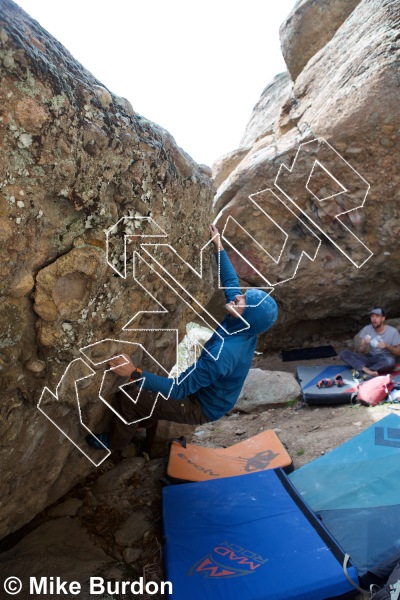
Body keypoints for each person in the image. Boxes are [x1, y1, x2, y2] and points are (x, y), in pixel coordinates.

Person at [87, 224, 278, 451]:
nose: (239, 297)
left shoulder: (223, 354)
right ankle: (143, 424)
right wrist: (219, 247)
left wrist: (132, 373)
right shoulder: (244, 323)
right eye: (244, 295)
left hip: (200, 405)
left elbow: (178, 390)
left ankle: (115, 444)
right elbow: (231, 284)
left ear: (248, 317)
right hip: (208, 392)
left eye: (244, 301)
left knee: (130, 399)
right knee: (146, 390)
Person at [340, 307, 400, 378]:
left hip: (384, 359)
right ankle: (367, 370)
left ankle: (363, 368)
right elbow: (361, 351)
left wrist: (387, 346)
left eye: (377, 316)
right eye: (372, 316)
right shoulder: (367, 329)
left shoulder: (393, 331)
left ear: (383, 318)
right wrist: (363, 344)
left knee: (390, 362)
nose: (374, 319)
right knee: (344, 353)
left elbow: (398, 352)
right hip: (370, 357)